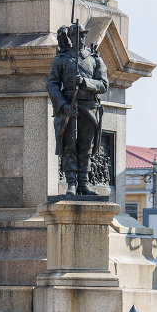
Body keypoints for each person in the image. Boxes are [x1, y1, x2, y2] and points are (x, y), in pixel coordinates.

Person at [47, 23, 108, 195]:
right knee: (69, 146)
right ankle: (71, 183)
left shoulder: (94, 59)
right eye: (76, 36)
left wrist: (85, 82)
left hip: (88, 108)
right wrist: (64, 106)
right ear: (71, 38)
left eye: (82, 35)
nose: (80, 39)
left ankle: (83, 183)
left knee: (85, 147)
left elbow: (104, 84)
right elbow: (52, 84)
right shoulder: (61, 59)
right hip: (69, 107)